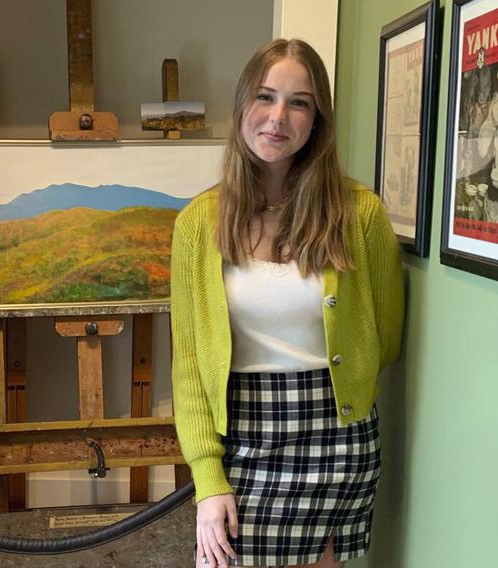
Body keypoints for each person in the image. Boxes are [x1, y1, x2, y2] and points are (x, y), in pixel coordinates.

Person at [171, 39, 404, 568]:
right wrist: (207, 482)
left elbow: (384, 337)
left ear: (317, 119)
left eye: (299, 102)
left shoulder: (360, 217)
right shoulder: (196, 225)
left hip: (337, 436)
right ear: (241, 107)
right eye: (265, 96)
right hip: (243, 434)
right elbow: (188, 367)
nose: (279, 117)